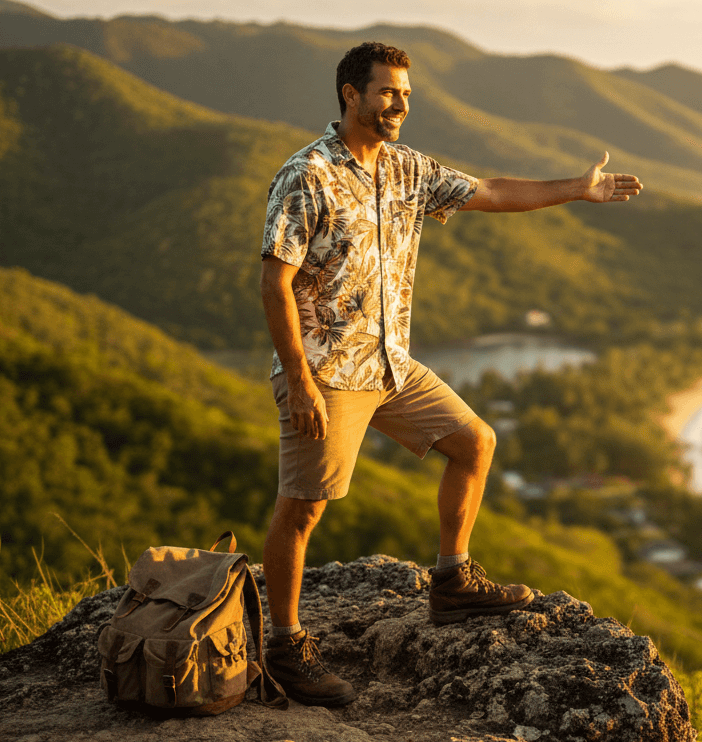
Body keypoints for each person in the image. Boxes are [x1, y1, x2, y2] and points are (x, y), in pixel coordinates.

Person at [257, 41, 642, 706]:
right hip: (327, 371)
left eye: (405, 94)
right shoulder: (307, 175)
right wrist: (297, 381)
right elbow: (275, 282)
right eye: (386, 93)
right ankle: (285, 646)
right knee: (303, 510)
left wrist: (577, 190)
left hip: (390, 363)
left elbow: (490, 191)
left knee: (475, 442)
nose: (399, 104)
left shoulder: (407, 169)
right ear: (351, 94)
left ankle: (453, 582)